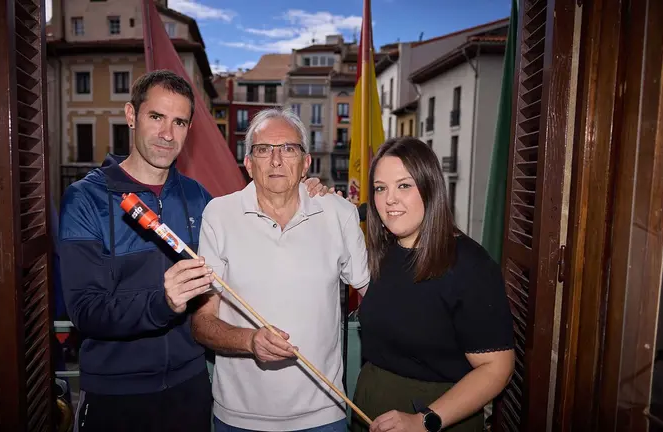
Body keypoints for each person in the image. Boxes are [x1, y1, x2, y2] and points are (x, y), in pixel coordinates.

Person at [59, 71, 329, 432]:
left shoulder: (200, 198)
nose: (167, 134)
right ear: (130, 115)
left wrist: (304, 191)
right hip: (115, 394)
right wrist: (163, 302)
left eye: (179, 122)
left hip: (190, 389)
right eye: (156, 117)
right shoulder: (86, 198)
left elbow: (255, 225)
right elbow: (85, 312)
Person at [191, 107, 369, 432]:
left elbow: (377, 294)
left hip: (323, 416)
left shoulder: (339, 213)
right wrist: (249, 341)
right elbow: (202, 323)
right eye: (263, 150)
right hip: (238, 417)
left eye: (288, 148)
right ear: (248, 164)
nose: (276, 160)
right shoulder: (219, 215)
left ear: (306, 163)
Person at [353, 137, 515, 432]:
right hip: (370, 409)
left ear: (430, 188)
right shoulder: (386, 251)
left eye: (404, 185)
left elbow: (497, 369)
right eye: (380, 188)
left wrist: (424, 420)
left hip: (438, 418)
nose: (389, 199)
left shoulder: (470, 266)